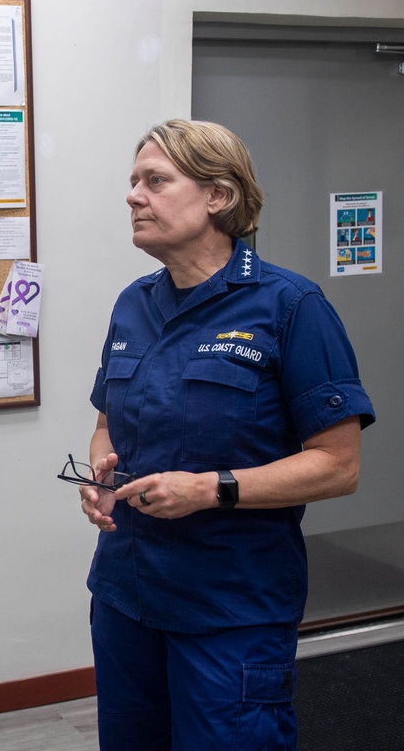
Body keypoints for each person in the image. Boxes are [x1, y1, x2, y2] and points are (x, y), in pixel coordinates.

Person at [79, 119, 374, 750]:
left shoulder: (291, 306)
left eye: (155, 181)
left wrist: (214, 489)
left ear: (219, 195)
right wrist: (100, 472)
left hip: (231, 611)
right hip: (126, 596)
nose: (134, 195)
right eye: (133, 182)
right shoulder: (134, 303)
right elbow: (107, 423)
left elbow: (338, 465)